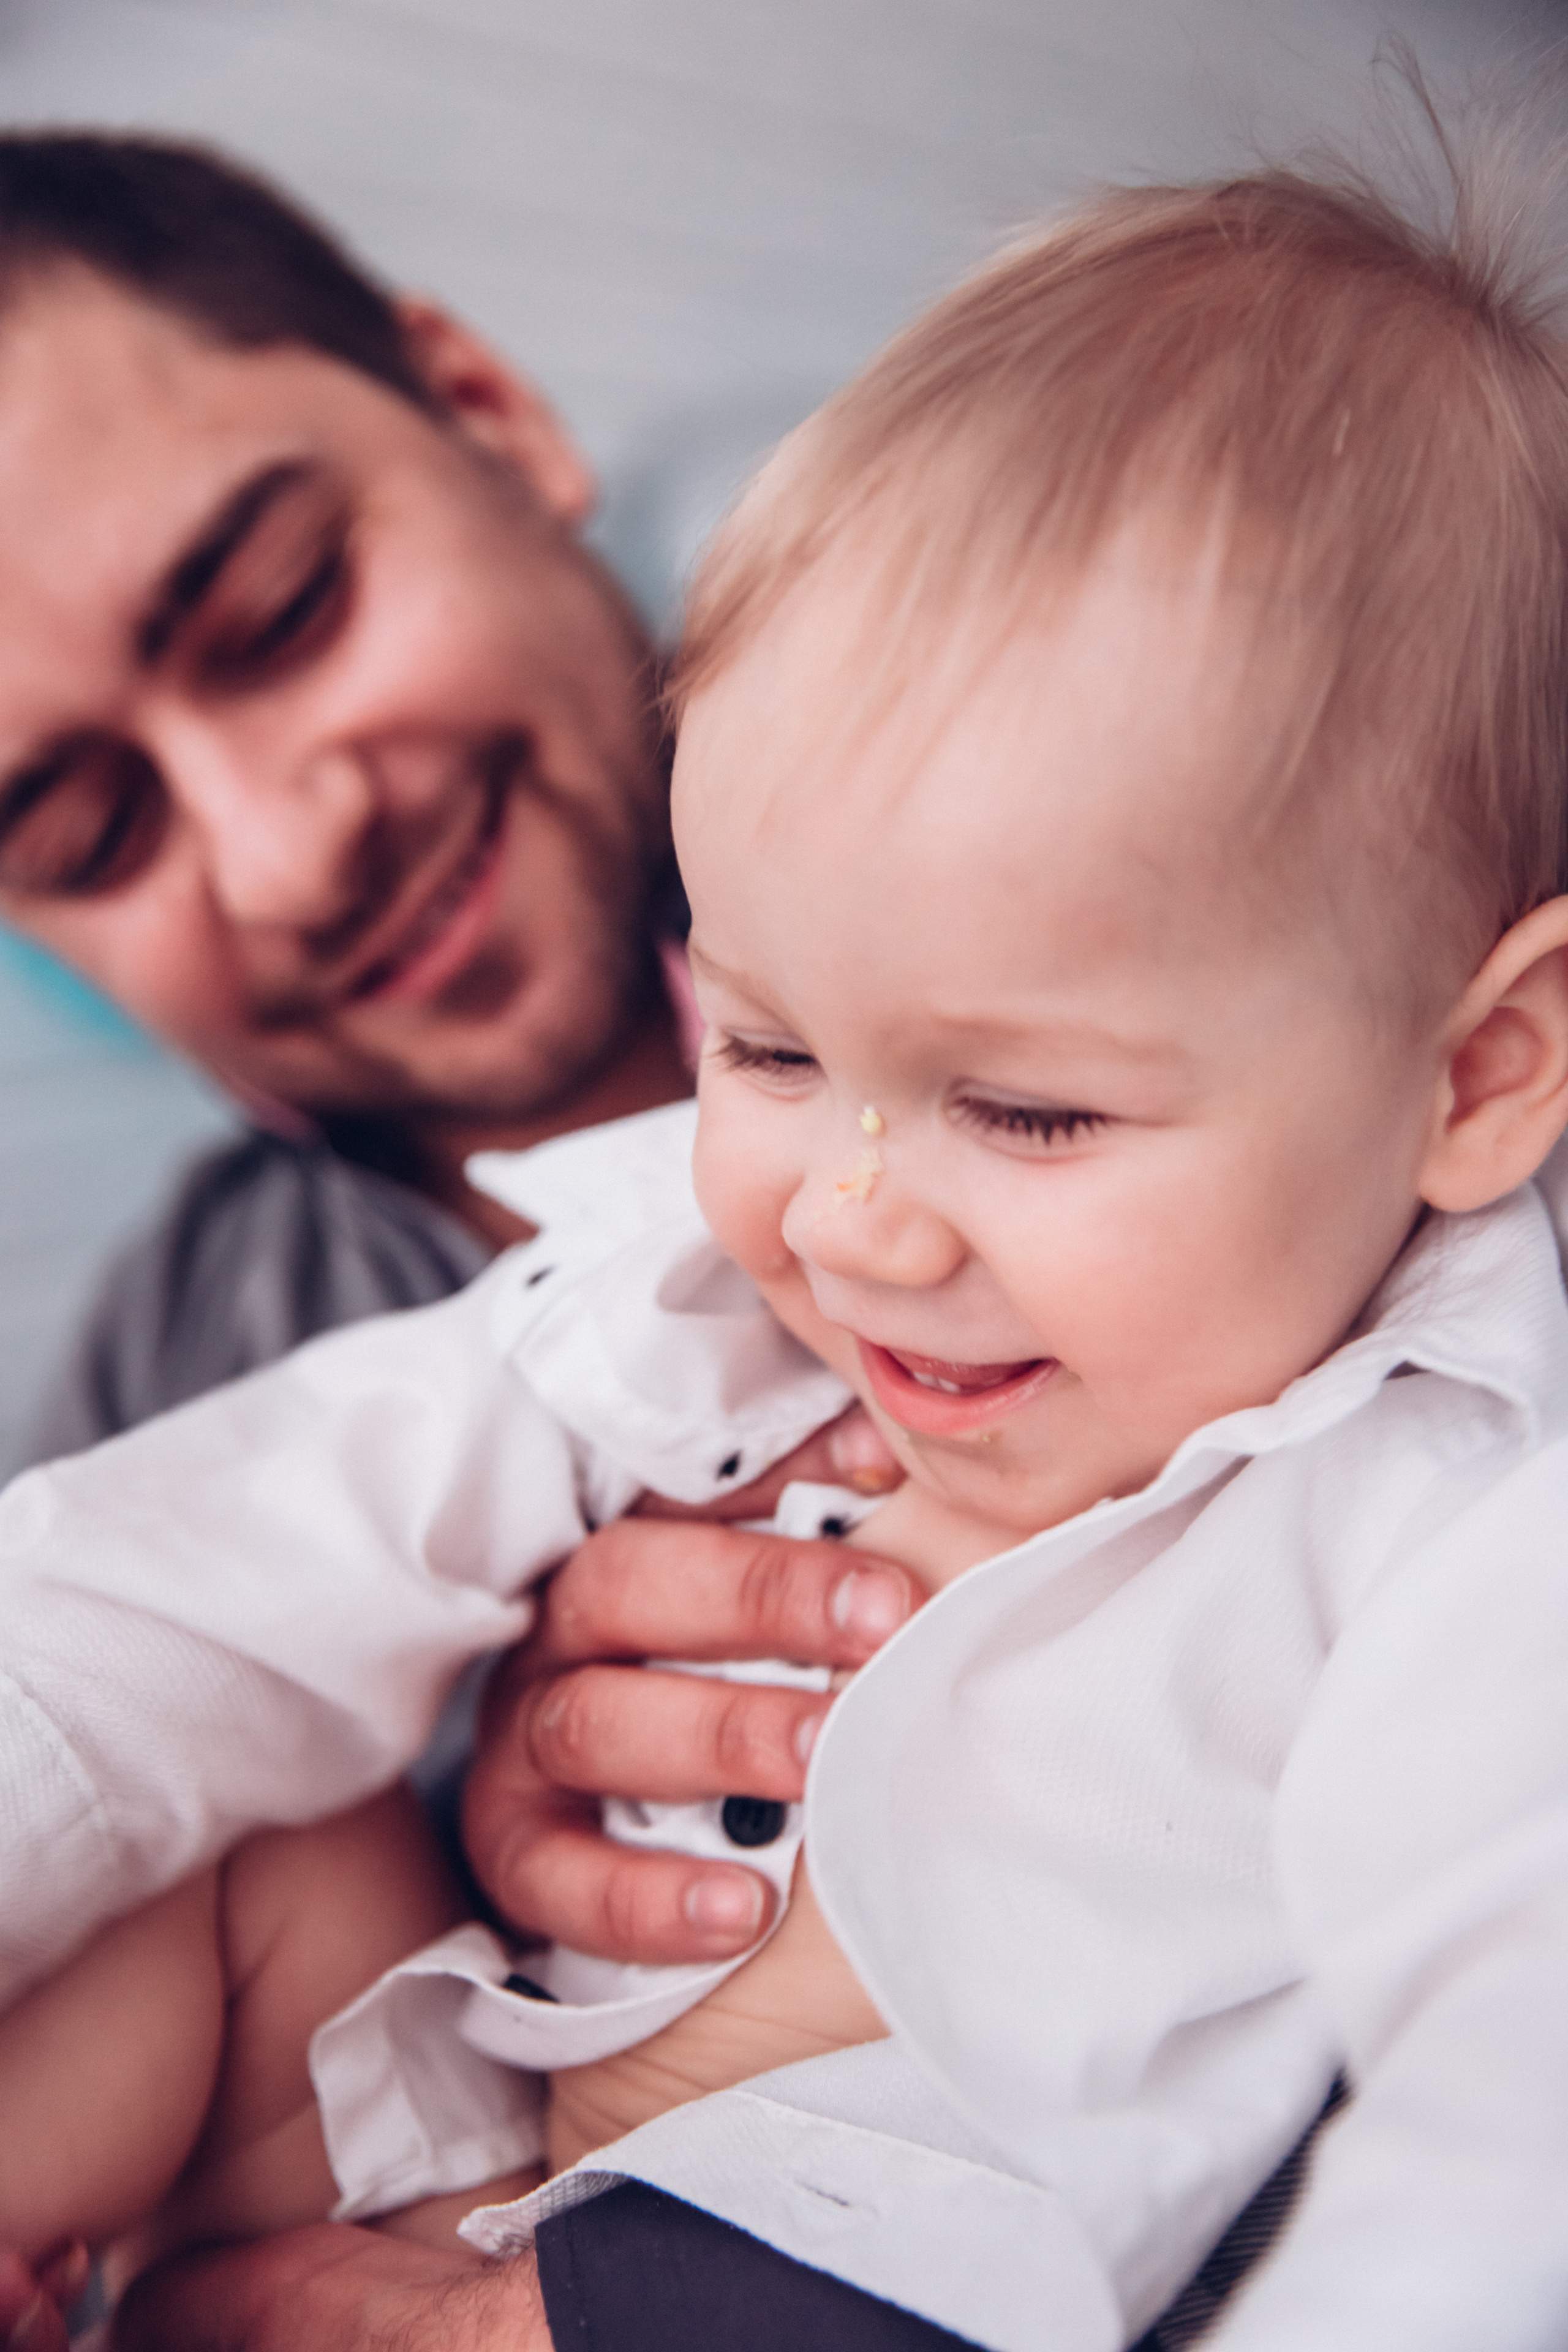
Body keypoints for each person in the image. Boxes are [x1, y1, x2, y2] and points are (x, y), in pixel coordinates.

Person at [7, 138, 1568, 2351]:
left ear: (1481, 1074)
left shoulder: (1451, 1489)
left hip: (857, 2270)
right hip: (452, 2141)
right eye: (747, 1040)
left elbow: (1508, 2122)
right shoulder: (590, 1267)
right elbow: (160, 1583)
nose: (841, 1222)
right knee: (182, 1820)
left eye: (1026, 1106)